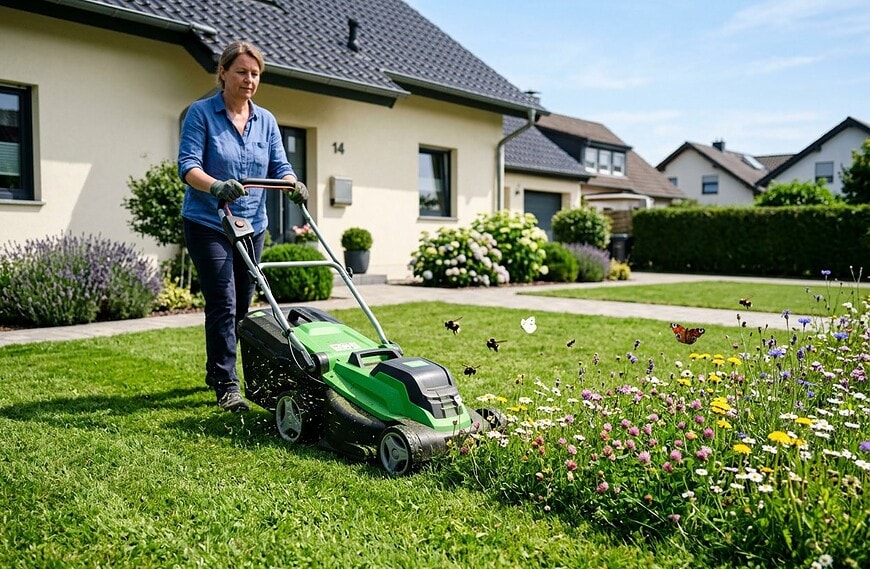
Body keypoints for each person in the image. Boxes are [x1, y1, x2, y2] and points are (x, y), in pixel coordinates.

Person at [178, 41, 308, 412]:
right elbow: (187, 166)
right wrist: (215, 185)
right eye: (241, 72)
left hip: (252, 224)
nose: (249, 79)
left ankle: (218, 371)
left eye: (255, 74)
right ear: (222, 73)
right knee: (223, 301)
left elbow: (280, 165)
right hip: (209, 222)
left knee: (242, 308)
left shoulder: (265, 120)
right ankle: (226, 383)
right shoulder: (201, 114)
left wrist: (292, 182)